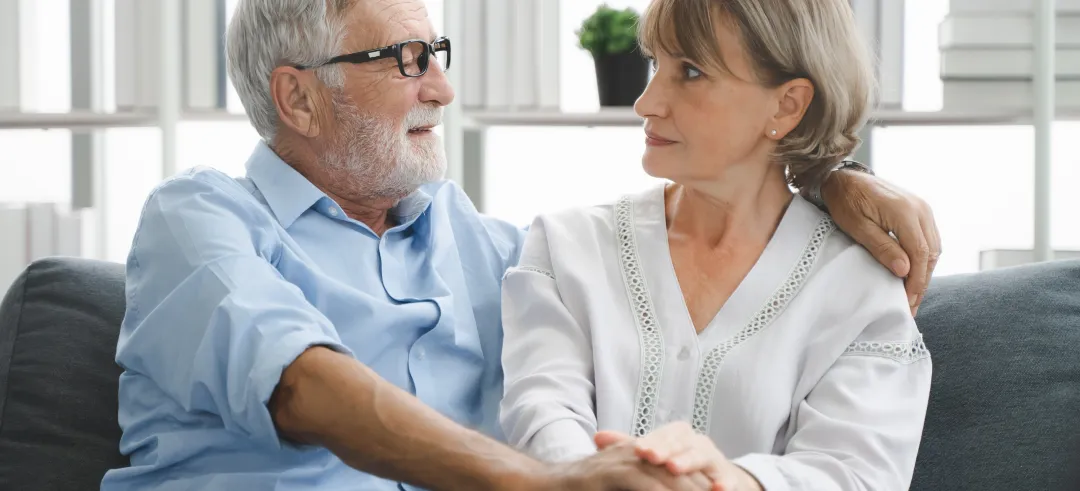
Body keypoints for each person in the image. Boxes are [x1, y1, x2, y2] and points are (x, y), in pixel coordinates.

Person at [100, 0, 939, 490]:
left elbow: (673, 236)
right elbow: (301, 388)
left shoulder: (492, 249)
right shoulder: (199, 220)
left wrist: (828, 177)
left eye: (438, 53)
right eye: (406, 59)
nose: (443, 85)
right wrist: (548, 487)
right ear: (299, 97)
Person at [498, 0, 931, 490]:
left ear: (787, 104)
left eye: (691, 71)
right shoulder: (566, 248)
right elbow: (541, 419)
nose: (646, 103)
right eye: (655, 64)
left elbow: (855, 475)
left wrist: (727, 479)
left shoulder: (859, 290)